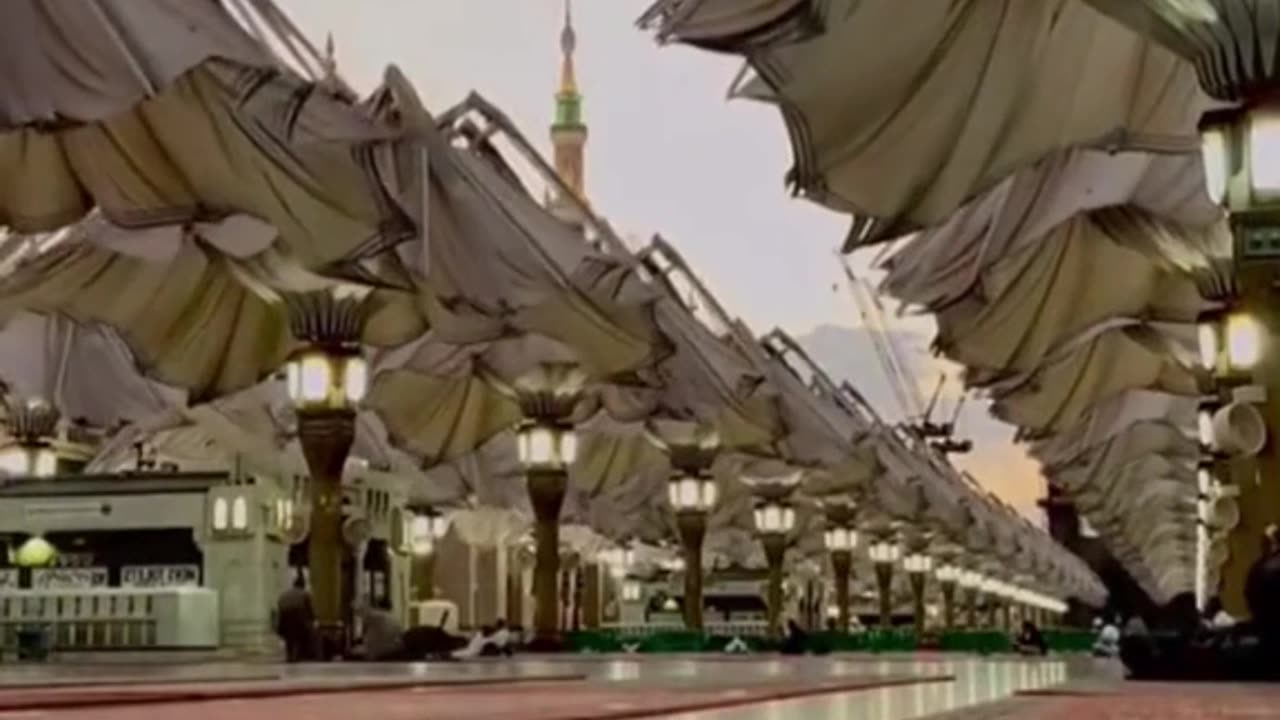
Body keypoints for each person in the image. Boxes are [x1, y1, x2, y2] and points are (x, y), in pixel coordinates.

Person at [275, 575, 317, 663]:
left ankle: (289, 655)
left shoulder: (284, 594)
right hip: (298, 620)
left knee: (289, 638)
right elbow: (310, 611)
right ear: (303, 585)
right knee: (302, 635)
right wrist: (313, 621)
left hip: (284, 621)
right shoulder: (305, 594)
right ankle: (298, 655)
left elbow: (279, 608)